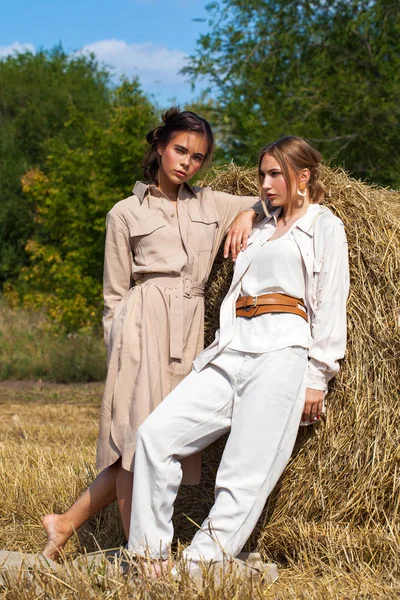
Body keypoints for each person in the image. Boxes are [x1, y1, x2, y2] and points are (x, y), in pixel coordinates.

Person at [42, 107, 261, 560]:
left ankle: (64, 524)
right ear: (160, 147)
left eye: (198, 157)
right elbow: (114, 292)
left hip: (188, 326)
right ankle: (141, 555)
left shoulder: (211, 204)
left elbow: (271, 200)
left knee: (161, 438)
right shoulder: (124, 213)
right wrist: (119, 348)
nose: (187, 162)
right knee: (137, 440)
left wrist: (246, 216)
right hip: (140, 325)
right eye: (180, 150)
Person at [127, 136, 350, 577]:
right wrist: (250, 210)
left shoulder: (325, 226)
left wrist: (317, 376)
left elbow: (331, 301)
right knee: (155, 436)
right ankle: (148, 556)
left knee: (243, 471)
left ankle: (199, 566)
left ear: (303, 176)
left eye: (275, 175)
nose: (265, 184)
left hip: (282, 352)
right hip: (231, 348)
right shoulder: (261, 225)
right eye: (261, 175)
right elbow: (240, 210)